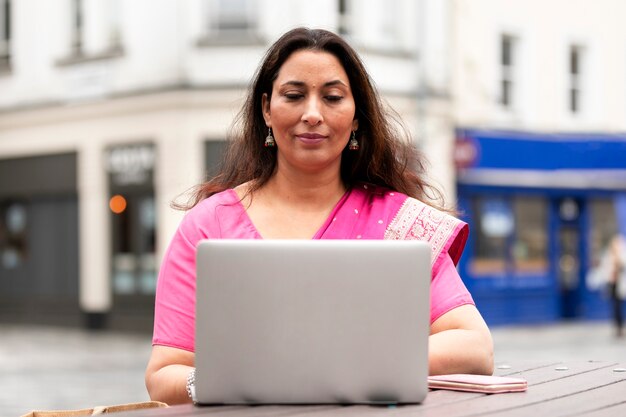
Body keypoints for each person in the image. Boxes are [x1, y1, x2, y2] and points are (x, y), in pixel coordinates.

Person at [145, 27, 494, 405]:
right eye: (294, 96)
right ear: (266, 109)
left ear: (356, 115)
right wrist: (222, 381)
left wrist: (343, 366)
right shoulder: (208, 225)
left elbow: (475, 347)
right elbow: (164, 373)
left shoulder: (401, 223)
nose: (312, 114)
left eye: (332, 97)